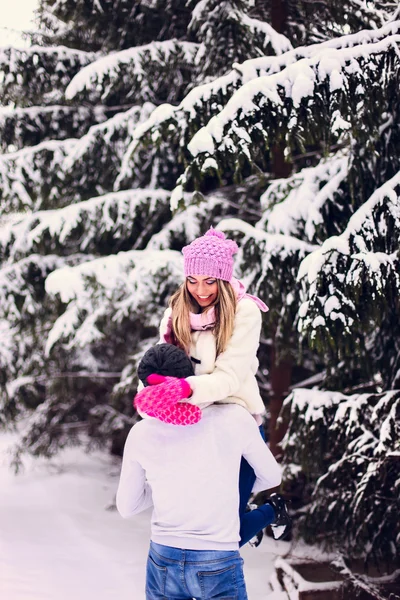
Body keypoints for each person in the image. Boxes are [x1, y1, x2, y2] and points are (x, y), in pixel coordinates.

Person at [134, 227, 291, 544]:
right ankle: (245, 514)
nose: (200, 290)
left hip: (235, 423)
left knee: (227, 534)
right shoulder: (175, 314)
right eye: (193, 280)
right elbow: (158, 367)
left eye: (210, 281)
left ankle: (272, 511)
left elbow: (229, 377)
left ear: (223, 279)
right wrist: (151, 394)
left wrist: (183, 391)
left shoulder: (244, 311)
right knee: (201, 525)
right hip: (189, 425)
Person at [116, 399, 282, 600]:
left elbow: (127, 507)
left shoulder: (142, 430)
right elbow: (271, 476)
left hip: (163, 560)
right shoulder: (234, 417)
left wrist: (168, 484)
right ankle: (267, 511)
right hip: (217, 557)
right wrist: (221, 490)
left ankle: (267, 512)